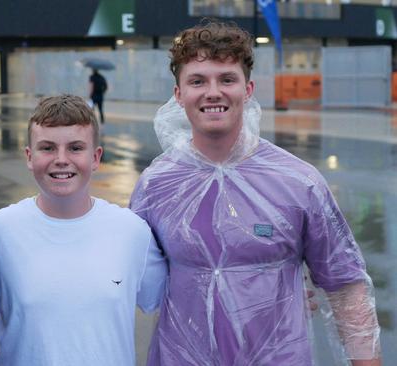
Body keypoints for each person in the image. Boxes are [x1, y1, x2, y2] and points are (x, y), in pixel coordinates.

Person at [130, 21, 382, 365]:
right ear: (178, 94)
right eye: (197, 81)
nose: (213, 92)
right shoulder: (157, 185)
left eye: (227, 79)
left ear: (248, 90)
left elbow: (346, 285)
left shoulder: (298, 181)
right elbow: (125, 277)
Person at [0, 94, 167, 365]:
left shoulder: (133, 232)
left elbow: (171, 304)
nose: (61, 159)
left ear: (96, 157)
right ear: (29, 157)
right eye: (47, 148)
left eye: (75, 148)